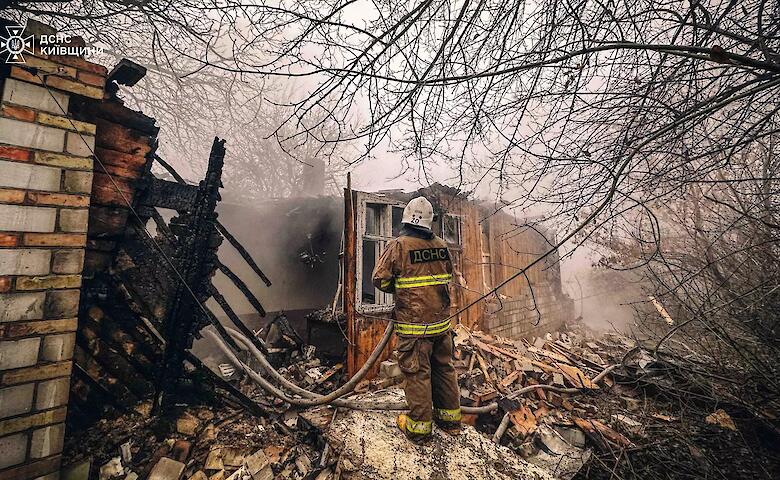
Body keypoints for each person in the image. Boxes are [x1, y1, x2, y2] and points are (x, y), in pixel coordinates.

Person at [372, 196, 461, 440]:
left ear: (406, 220)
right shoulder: (441, 245)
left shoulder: (400, 245)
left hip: (414, 327)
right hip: (442, 324)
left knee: (418, 372)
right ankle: (450, 420)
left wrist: (400, 289)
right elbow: (448, 276)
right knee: (444, 368)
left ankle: (419, 429)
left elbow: (380, 279)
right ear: (429, 222)